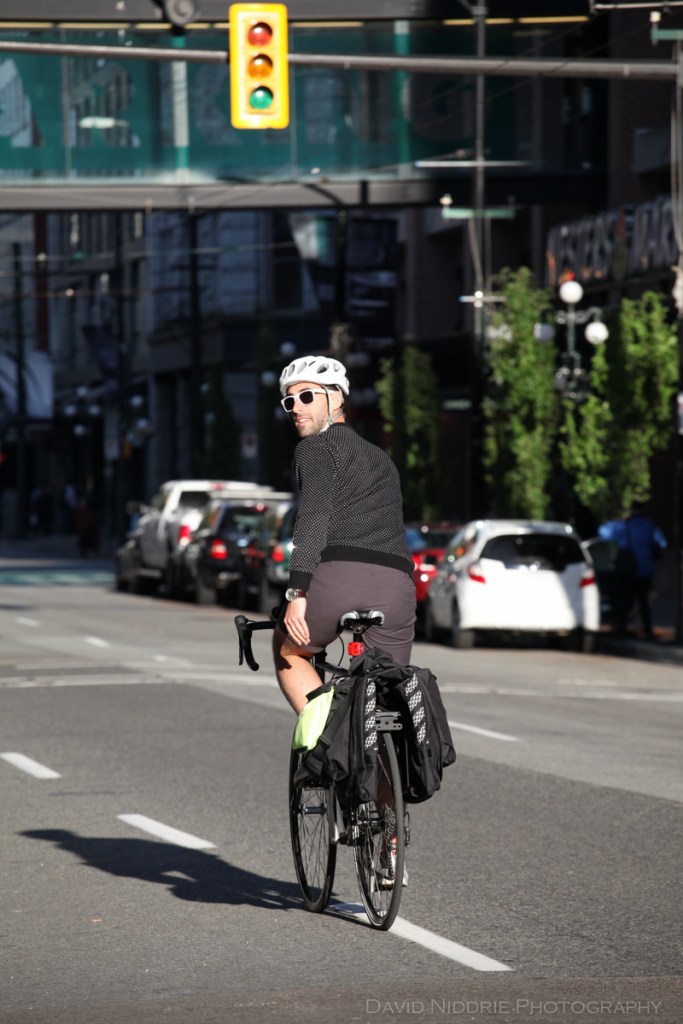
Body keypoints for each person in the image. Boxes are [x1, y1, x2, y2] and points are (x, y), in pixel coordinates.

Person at [272, 354, 416, 716]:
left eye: (307, 396)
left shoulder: (315, 448)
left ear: (336, 398)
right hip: (396, 588)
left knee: (288, 650)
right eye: (289, 400)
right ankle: (391, 764)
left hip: (338, 580)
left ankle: (327, 738)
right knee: (386, 691)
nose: (296, 408)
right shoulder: (381, 457)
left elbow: (313, 517)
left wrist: (298, 592)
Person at [598, 501, 667, 639]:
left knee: (625, 602)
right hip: (646, 571)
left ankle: (621, 629)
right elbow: (662, 543)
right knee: (644, 603)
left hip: (629, 570)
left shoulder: (623, 526)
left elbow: (603, 532)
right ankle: (648, 631)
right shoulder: (650, 526)